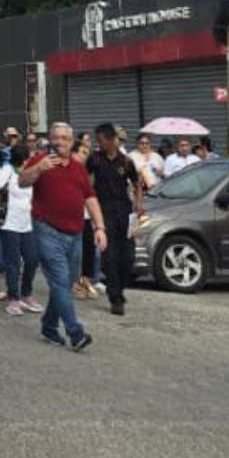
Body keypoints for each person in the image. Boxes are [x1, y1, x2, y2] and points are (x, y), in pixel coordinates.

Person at [18, 122, 107, 351]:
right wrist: (38, 170)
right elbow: (22, 180)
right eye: (55, 138)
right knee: (58, 280)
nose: (59, 142)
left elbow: (90, 197)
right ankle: (75, 332)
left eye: (64, 138)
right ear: (50, 139)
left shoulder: (78, 168)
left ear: (71, 141)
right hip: (47, 229)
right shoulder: (41, 160)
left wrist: (99, 227)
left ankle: (48, 324)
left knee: (66, 283)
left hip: (75, 233)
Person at [88, 123, 144, 316]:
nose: (99, 144)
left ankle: (119, 288)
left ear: (112, 140)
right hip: (104, 212)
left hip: (126, 212)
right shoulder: (94, 159)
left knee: (128, 257)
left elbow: (137, 184)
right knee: (109, 256)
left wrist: (138, 204)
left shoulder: (127, 162)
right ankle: (116, 297)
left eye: (102, 140)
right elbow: (85, 182)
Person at [0, 142, 42, 316]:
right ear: (24, 158)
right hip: (9, 223)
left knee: (32, 259)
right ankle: (14, 298)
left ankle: (26, 294)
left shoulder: (30, 174)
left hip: (27, 223)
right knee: (13, 263)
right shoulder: (7, 171)